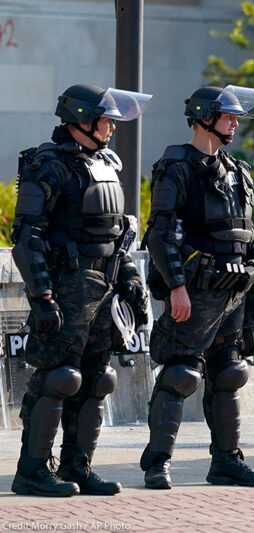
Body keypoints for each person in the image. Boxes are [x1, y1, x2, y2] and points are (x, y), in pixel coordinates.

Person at [10, 84, 152, 496]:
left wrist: (129, 278)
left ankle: (77, 467)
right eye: (105, 119)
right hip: (67, 286)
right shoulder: (48, 164)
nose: (111, 128)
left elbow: (115, 234)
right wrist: (43, 298)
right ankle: (32, 471)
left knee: (96, 380)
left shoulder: (104, 162)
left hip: (104, 287)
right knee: (59, 379)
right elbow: (27, 238)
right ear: (81, 119)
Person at [140, 85, 254, 489]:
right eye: (228, 116)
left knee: (230, 372)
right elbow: (159, 234)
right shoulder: (176, 166)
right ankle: (157, 464)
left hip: (237, 288)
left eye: (236, 117)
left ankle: (227, 463)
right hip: (196, 290)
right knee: (182, 374)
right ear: (203, 117)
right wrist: (176, 287)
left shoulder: (238, 169)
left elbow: (248, 231)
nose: (236, 123)